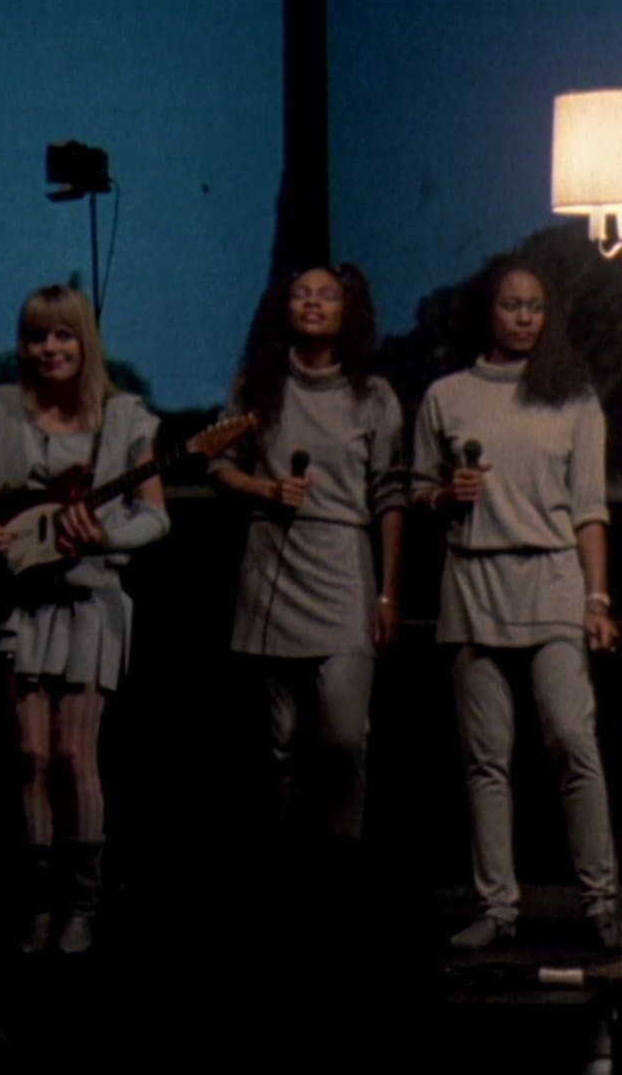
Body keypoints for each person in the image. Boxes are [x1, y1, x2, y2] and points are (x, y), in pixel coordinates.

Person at [0, 284, 169, 955]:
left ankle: (82, 906)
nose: (50, 348)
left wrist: (107, 539)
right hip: (23, 604)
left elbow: (157, 516)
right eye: (38, 336)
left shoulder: (123, 418)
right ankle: (40, 905)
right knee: (31, 756)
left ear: (84, 342)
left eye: (63, 335)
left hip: (91, 603)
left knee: (75, 754)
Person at [413, 257, 622, 953]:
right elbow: (417, 491)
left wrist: (597, 598)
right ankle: (497, 906)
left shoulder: (572, 397)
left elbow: (590, 509)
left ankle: (602, 903)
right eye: (512, 305)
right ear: (490, 312)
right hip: (474, 583)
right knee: (486, 757)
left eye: (536, 306)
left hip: (552, 579)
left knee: (572, 739)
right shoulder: (447, 396)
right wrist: (446, 496)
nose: (525, 318)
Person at [211, 264, 406, 859]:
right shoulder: (257, 386)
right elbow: (218, 466)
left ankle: (342, 867)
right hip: (273, 565)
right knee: (284, 744)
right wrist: (266, 490)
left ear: (349, 311)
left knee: (344, 738)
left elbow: (391, 496)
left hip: (344, 566)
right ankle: (293, 875)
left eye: (327, 295)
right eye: (301, 294)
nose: (313, 304)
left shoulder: (373, 396)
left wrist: (389, 593)